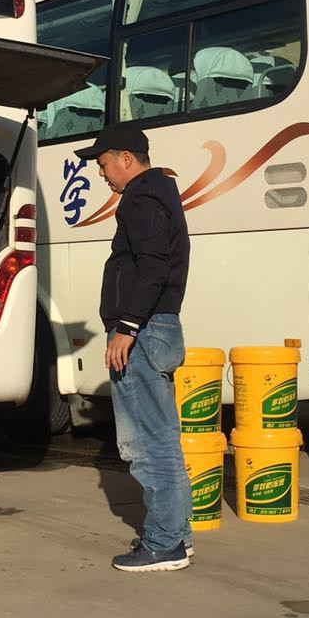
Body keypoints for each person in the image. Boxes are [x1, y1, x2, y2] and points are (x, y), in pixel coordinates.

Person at [75, 122, 194, 571]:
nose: (101, 173)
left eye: (103, 163)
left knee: (146, 443)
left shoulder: (141, 197)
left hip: (142, 332)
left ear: (126, 158)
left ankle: (164, 543)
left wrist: (126, 326)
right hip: (158, 326)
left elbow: (153, 265)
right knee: (163, 439)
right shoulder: (159, 192)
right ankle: (177, 535)